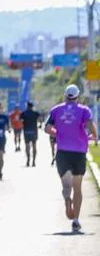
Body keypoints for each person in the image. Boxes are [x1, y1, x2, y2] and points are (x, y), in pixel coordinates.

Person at [44, 85, 97, 233]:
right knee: (77, 188)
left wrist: (58, 133)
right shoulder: (84, 110)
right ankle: (76, 220)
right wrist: (92, 136)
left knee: (66, 186)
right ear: (77, 96)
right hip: (79, 152)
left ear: (65, 95)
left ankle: (67, 200)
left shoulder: (56, 110)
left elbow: (47, 128)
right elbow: (92, 128)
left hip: (63, 152)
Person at [20, 102, 41, 167]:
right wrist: (39, 124)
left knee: (27, 146)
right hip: (34, 131)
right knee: (34, 146)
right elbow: (40, 119)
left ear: (27, 106)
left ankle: (28, 159)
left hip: (26, 131)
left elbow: (20, 120)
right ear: (32, 106)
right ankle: (34, 161)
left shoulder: (23, 113)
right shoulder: (35, 113)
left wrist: (24, 122)